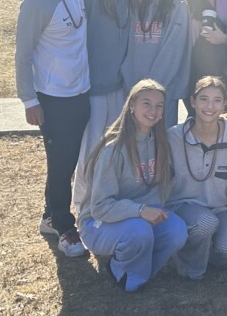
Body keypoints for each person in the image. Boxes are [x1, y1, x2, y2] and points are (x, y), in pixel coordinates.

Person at [16, 0, 92, 258]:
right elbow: (23, 54)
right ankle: (64, 225)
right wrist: (29, 100)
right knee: (60, 164)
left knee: (70, 161)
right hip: (53, 96)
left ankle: (50, 215)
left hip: (80, 91)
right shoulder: (37, 0)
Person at [78, 79, 188, 291]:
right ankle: (121, 271)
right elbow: (99, 207)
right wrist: (139, 210)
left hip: (141, 218)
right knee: (139, 231)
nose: (153, 110)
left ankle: (141, 271)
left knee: (177, 230)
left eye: (159, 106)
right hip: (98, 223)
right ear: (131, 106)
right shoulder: (114, 149)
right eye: (146, 103)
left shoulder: (161, 142)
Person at [74, 0, 137, 208]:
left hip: (121, 87)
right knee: (91, 149)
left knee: (114, 148)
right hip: (94, 86)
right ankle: (84, 205)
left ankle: (107, 199)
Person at [167, 77, 227, 278]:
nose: (210, 106)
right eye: (203, 99)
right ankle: (190, 268)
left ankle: (208, 254)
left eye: (217, 100)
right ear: (192, 102)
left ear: (224, 103)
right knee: (205, 223)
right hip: (184, 204)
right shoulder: (174, 136)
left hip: (222, 207)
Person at [121, 0, 190, 129]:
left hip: (162, 92)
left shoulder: (177, 4)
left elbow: (173, 52)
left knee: (161, 146)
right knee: (135, 145)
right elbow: (127, 46)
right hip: (133, 90)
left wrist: (151, 91)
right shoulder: (134, 2)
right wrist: (131, 84)